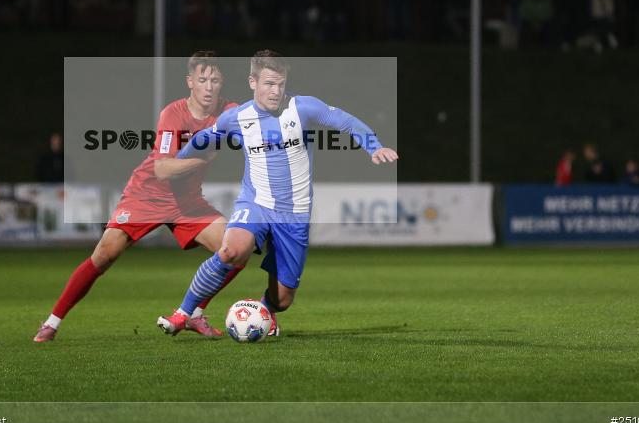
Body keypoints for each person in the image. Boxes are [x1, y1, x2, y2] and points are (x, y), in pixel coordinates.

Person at [156, 50, 399, 337]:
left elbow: (346, 121)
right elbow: (204, 138)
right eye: (269, 84)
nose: (276, 91)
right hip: (255, 203)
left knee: (282, 299)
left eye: (281, 84)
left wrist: (374, 147)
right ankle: (185, 313)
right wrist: (181, 161)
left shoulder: (303, 108)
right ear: (252, 82)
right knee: (232, 250)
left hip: (294, 214)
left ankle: (263, 312)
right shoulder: (237, 117)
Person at [34, 52, 239, 342]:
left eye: (214, 80)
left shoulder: (228, 111)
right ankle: (52, 322)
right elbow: (163, 168)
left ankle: (193, 314)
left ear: (222, 83)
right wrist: (201, 160)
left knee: (236, 251)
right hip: (147, 194)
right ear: (190, 82)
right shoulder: (173, 113)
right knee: (105, 255)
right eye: (202, 79)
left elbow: (257, 117)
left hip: (187, 201)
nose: (208, 86)